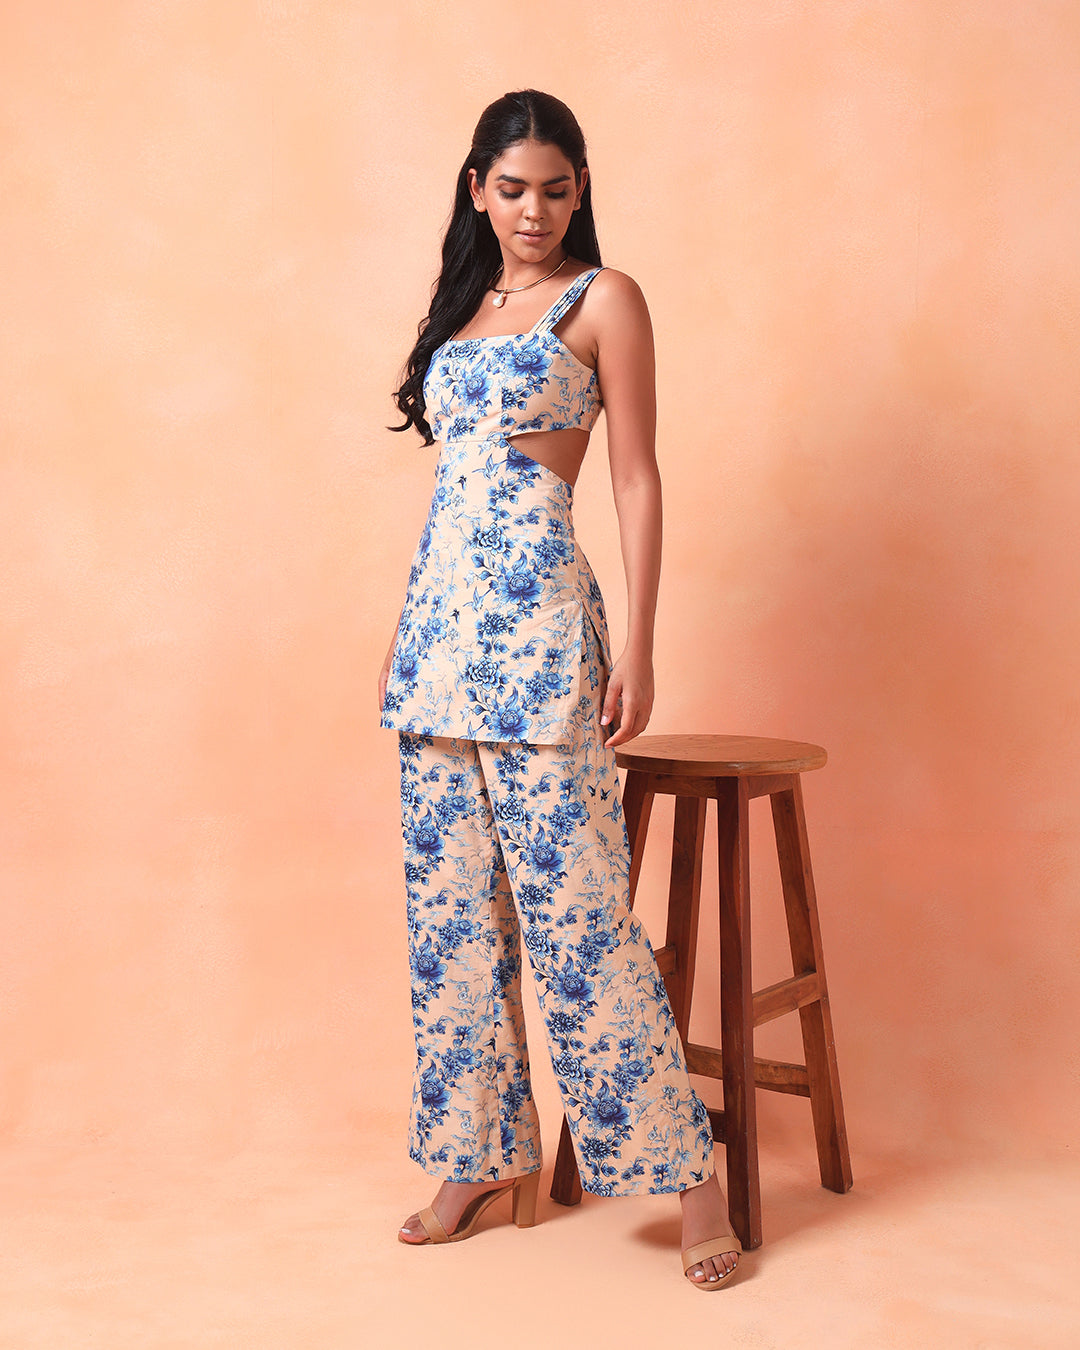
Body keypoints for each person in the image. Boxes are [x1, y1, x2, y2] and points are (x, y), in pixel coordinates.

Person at [378, 88, 744, 1290]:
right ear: (477, 190)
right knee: (450, 922)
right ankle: (477, 1158)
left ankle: (691, 1179)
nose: (534, 210)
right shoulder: (464, 310)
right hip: (437, 644)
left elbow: (634, 475)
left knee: (580, 921)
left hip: (539, 633)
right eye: (512, 188)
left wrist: (641, 644)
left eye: (556, 188)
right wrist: (407, 634)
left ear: (580, 191)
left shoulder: (605, 300)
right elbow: (452, 496)